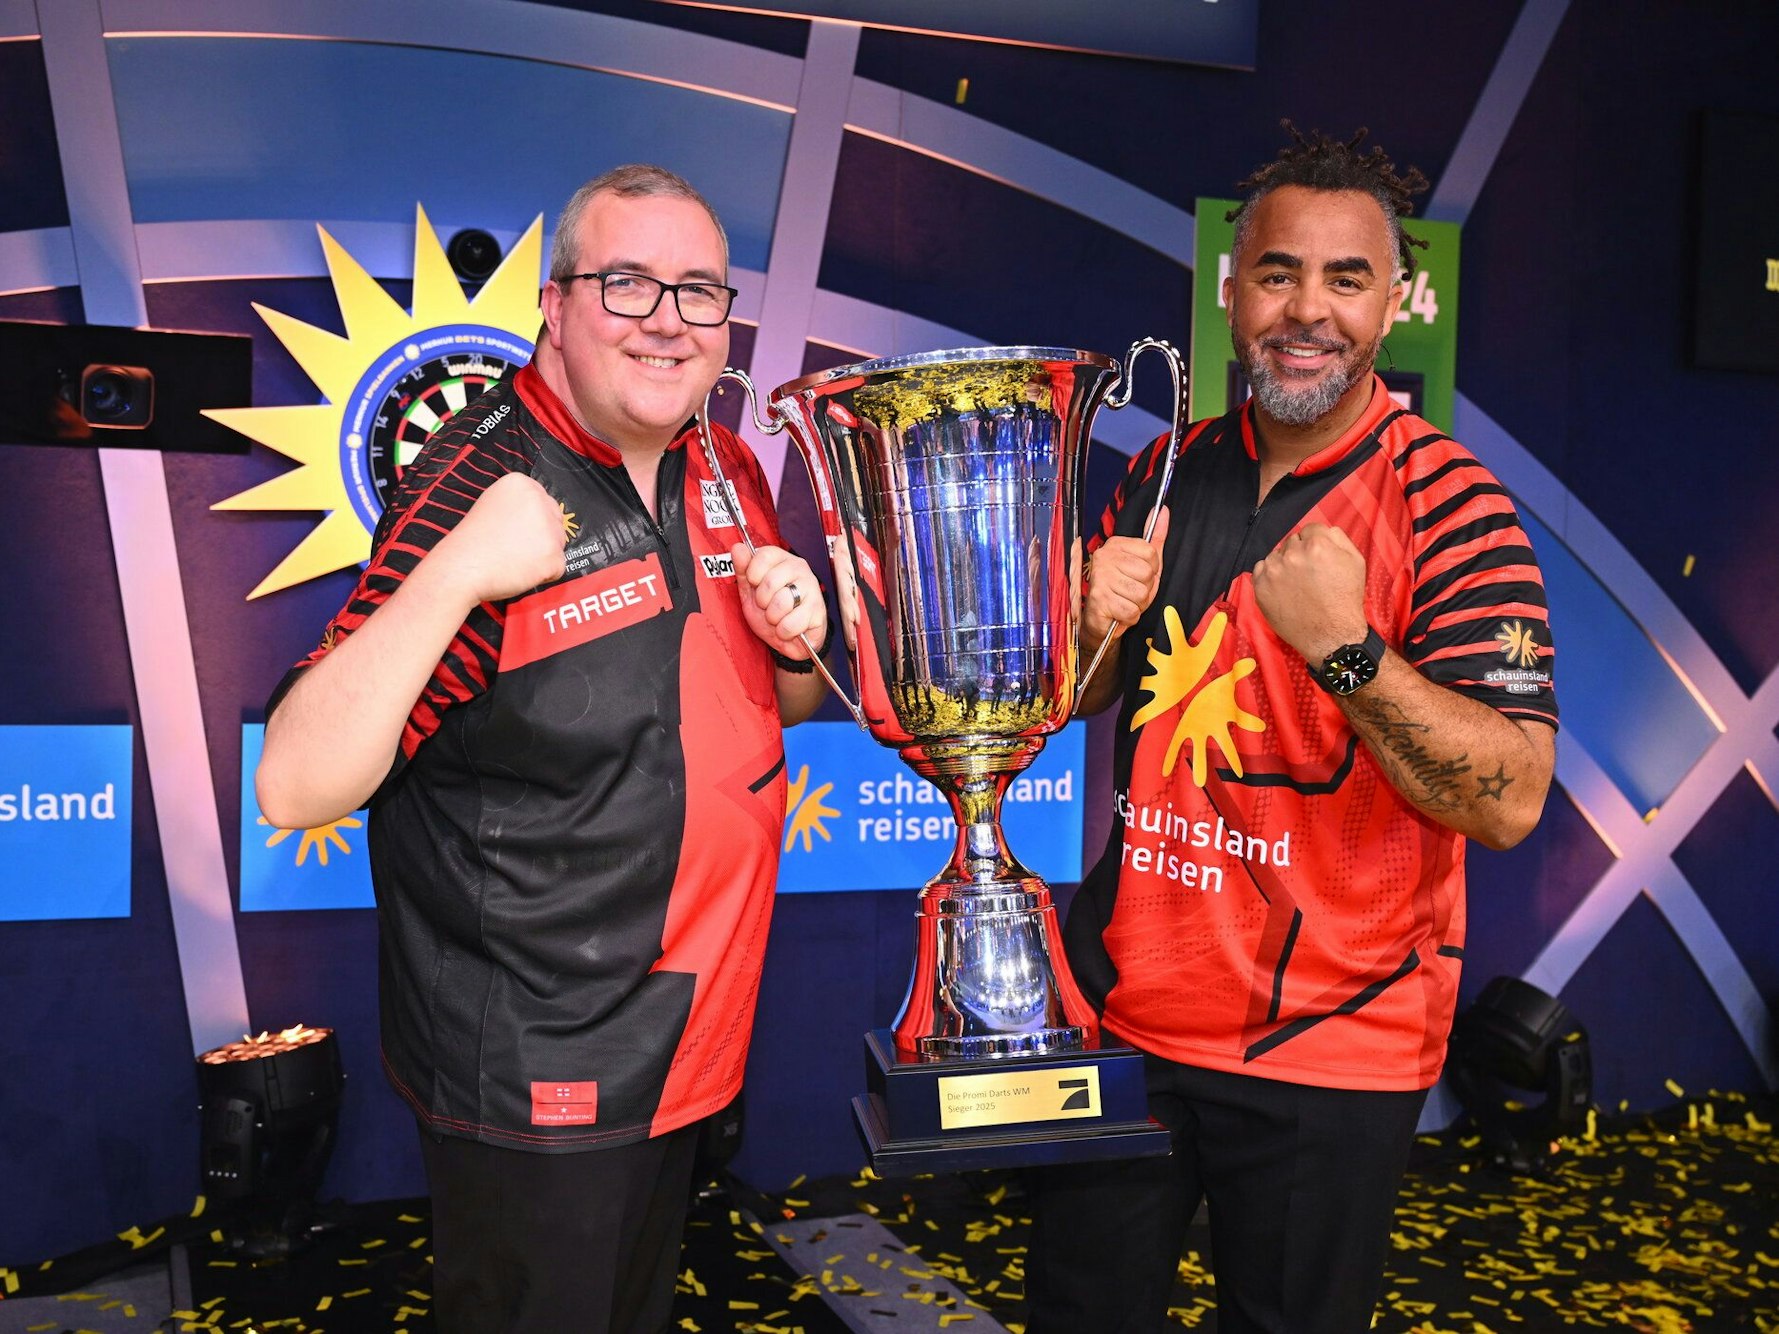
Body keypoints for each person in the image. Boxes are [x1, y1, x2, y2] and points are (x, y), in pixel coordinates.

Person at [256, 164, 830, 1333]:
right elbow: (297, 780)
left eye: (699, 291)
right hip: (537, 1062)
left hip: (686, 1035)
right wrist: (461, 568)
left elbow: (780, 709)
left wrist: (797, 645)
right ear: (554, 310)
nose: (666, 320)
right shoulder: (481, 478)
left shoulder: (726, 467)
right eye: (625, 283)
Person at [1027, 126, 1558, 1333]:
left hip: (1331, 1040)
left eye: (1346, 278)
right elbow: (1088, 698)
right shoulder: (1167, 468)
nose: (1305, 310)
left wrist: (1348, 650)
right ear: (1230, 289)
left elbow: (1511, 797)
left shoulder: (1453, 504)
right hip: (1126, 1008)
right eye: (1277, 273)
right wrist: (1091, 628)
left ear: (1395, 303)